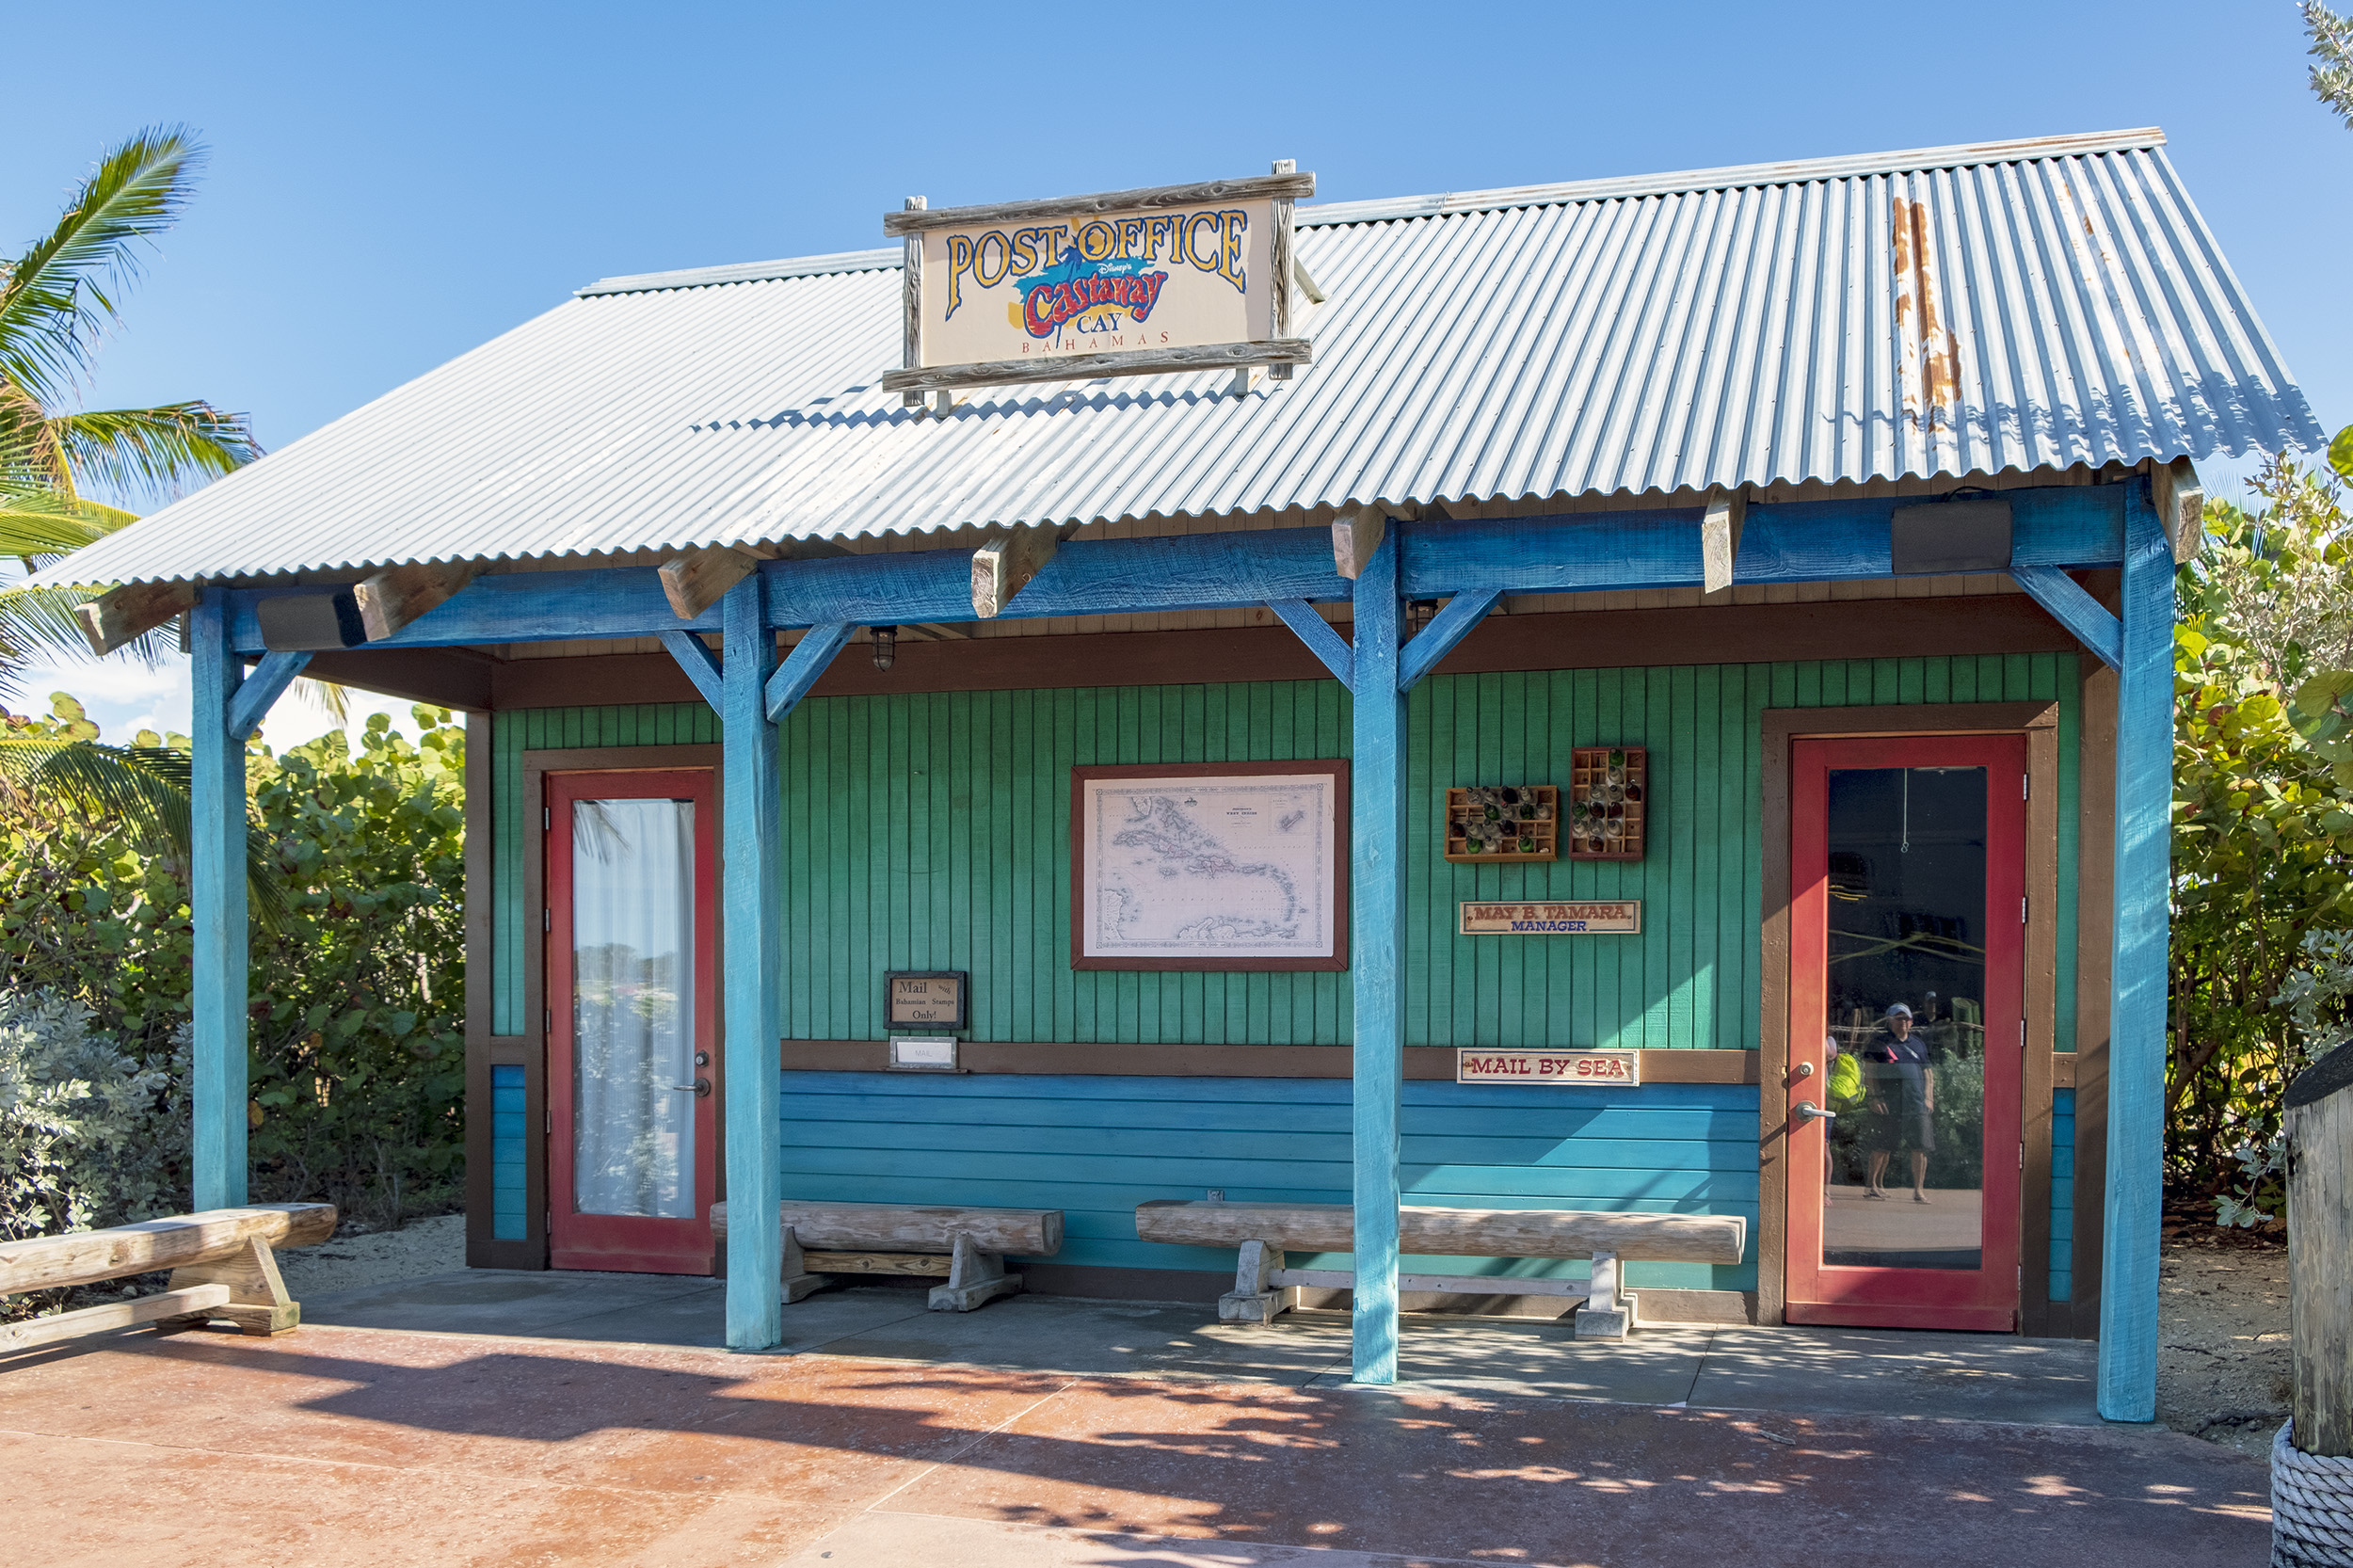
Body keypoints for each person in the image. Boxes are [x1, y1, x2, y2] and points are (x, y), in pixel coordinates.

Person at [1861, 1002, 1936, 1202]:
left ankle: (1918, 1190)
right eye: (1898, 1018)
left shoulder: (1918, 1044)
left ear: (1911, 1022)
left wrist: (1929, 1097)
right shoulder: (1879, 1043)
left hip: (1916, 1104)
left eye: (1906, 1019)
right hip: (1889, 1104)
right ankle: (1872, 1186)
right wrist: (1874, 1097)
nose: (1903, 1022)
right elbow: (1870, 1072)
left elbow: (1928, 1073)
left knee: (1920, 1147)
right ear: (1890, 1020)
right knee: (1882, 1146)